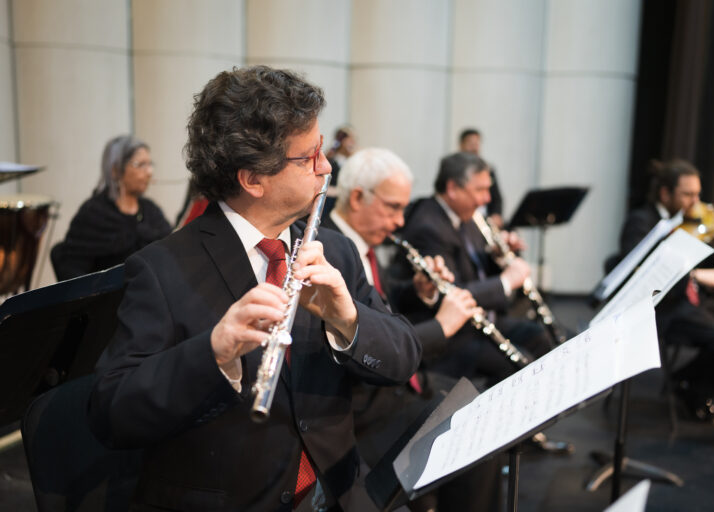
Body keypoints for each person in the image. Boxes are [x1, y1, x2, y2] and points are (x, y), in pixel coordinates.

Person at [87, 66, 421, 512]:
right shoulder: (161, 268)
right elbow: (112, 413)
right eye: (309, 158)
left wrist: (348, 318)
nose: (326, 168)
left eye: (322, 150)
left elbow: (403, 357)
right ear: (253, 179)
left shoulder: (334, 249)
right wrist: (212, 352)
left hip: (337, 492)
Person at [327, 147, 500, 512]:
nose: (401, 221)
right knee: (474, 439)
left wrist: (420, 293)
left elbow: (380, 309)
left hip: (398, 386)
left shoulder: (363, 246)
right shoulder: (331, 250)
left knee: (485, 413)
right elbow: (367, 343)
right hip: (366, 408)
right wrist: (441, 325)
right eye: (393, 207)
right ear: (357, 197)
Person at [619, 158, 714, 423]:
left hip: (698, 300)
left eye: (698, 194)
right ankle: (692, 390)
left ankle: (689, 384)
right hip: (666, 307)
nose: (696, 202)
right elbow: (641, 273)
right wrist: (696, 274)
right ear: (665, 193)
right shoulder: (641, 221)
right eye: (687, 194)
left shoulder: (697, 223)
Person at [392, 152, 552, 385]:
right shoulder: (428, 226)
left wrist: (499, 257)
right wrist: (505, 282)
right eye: (480, 190)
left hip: (483, 320)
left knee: (538, 337)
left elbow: (478, 270)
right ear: (453, 188)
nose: (487, 199)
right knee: (517, 366)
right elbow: (453, 294)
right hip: (453, 337)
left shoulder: (467, 217)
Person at [51, 135, 171, 280]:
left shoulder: (151, 211)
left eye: (150, 164)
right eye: (140, 165)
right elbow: (72, 273)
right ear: (115, 170)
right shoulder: (93, 213)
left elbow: (168, 257)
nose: (149, 172)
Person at [458, 128, 504, 228]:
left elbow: (496, 198)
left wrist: (496, 214)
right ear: (461, 145)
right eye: (471, 144)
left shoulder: (488, 170)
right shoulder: (455, 170)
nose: (474, 148)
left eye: (477, 144)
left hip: (485, 220)